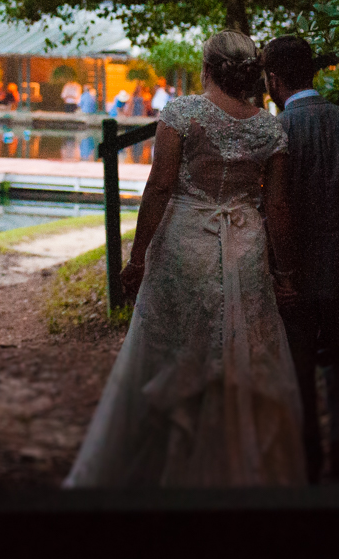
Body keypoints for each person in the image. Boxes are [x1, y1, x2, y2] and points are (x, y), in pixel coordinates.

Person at [64, 31, 306, 487]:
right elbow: (276, 207)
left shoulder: (182, 114)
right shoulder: (269, 128)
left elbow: (159, 187)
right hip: (246, 247)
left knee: (173, 346)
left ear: (209, 68)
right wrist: (285, 274)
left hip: (186, 242)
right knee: (241, 346)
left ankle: (165, 463)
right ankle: (236, 466)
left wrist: (136, 260)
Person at [262, 36, 339, 481]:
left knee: (296, 359)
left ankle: (307, 450)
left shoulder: (274, 132)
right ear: (312, 72)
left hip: (290, 271)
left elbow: (264, 208)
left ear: (273, 79)